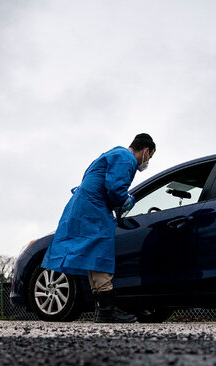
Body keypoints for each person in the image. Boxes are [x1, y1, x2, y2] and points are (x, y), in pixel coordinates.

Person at [41, 133, 156, 323]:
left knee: (93, 257)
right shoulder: (126, 159)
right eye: (150, 157)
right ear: (146, 150)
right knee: (101, 253)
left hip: (84, 208)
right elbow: (115, 188)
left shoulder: (114, 153)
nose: (147, 161)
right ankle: (108, 311)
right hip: (94, 210)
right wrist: (128, 201)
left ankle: (102, 310)